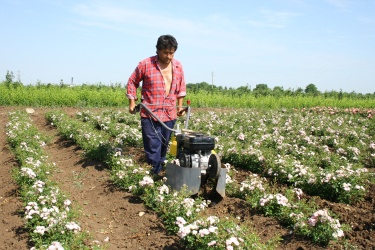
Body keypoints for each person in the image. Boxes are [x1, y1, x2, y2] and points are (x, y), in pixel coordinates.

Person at [126, 34, 186, 175]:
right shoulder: (145, 64)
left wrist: (181, 105)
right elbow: (132, 82)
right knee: (153, 146)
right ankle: (153, 174)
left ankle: (160, 172)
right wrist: (132, 102)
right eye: (165, 52)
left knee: (164, 145)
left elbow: (181, 87)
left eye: (171, 53)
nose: (169, 56)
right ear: (158, 50)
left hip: (169, 113)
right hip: (150, 113)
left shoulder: (177, 66)